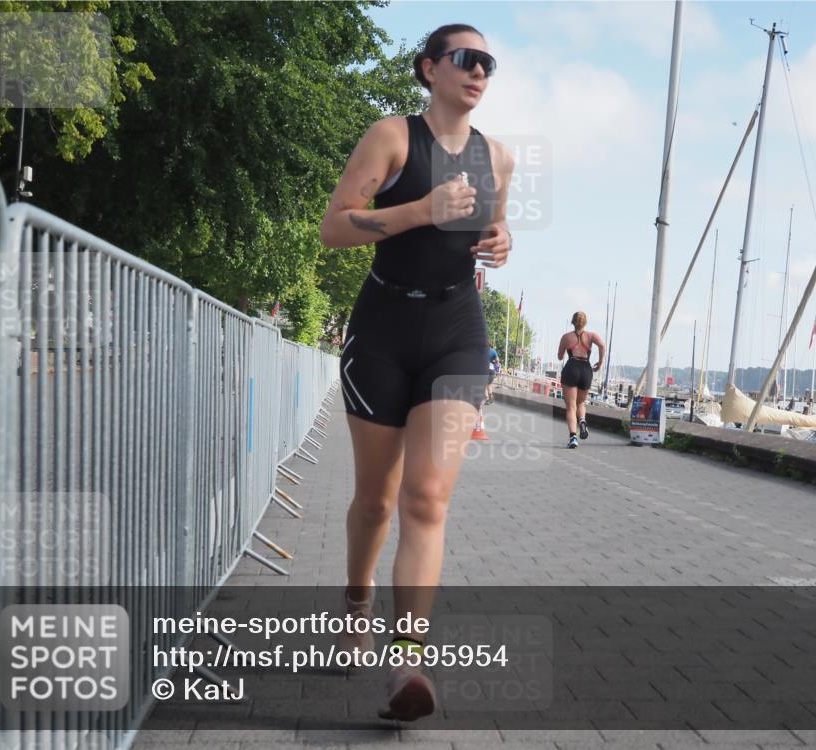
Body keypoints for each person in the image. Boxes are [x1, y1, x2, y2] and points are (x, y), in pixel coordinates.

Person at [319, 23, 514, 721]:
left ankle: (407, 664)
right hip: (383, 332)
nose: (480, 72)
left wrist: (501, 240)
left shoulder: (500, 157)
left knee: (427, 499)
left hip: (459, 332)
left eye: (489, 63)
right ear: (430, 68)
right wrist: (420, 210)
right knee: (376, 500)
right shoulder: (393, 137)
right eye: (467, 59)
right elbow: (336, 227)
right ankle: (355, 602)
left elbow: (491, 234)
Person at [557, 312, 605, 448]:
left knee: (571, 407)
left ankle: (573, 437)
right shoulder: (592, 336)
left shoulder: (566, 337)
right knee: (581, 402)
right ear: (585, 322)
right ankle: (582, 420)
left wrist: (565, 351)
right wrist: (600, 362)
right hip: (585, 369)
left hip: (571, 368)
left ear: (573, 322)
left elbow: (560, 356)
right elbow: (602, 345)